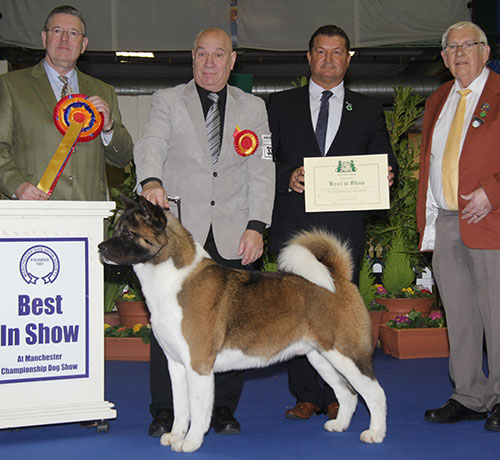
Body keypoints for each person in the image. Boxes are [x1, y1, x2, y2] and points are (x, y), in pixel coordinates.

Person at [133, 28, 275, 437]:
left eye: (218, 55)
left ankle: (222, 410)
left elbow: (263, 169)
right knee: (169, 324)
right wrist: (152, 180)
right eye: (202, 55)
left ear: (233, 61)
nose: (209, 63)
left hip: (233, 230)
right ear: (192, 58)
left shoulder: (255, 108)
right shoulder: (166, 100)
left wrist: (256, 226)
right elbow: (151, 144)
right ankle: (165, 410)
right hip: (179, 236)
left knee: (230, 325)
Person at [268, 24, 397, 421]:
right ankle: (306, 394)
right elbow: (259, 160)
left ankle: (338, 392)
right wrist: (285, 175)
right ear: (308, 58)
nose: (329, 59)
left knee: (337, 310)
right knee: (294, 308)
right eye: (321, 52)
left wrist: (387, 174)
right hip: (294, 222)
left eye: (337, 52)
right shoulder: (277, 105)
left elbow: (384, 159)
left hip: (344, 231)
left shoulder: (370, 109)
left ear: (348, 59)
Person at [417, 21, 500, 431]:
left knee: (497, 315)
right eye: (452, 47)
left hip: (492, 220)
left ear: (486, 52)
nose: (460, 52)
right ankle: (469, 394)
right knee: (461, 317)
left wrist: (493, 192)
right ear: (445, 58)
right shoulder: (437, 99)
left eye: (470, 44)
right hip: (447, 223)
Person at [0, 5, 133, 201]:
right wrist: (16, 185)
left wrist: (108, 127)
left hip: (88, 211)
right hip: (32, 207)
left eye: (73, 33)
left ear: (83, 44)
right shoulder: (10, 85)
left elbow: (123, 157)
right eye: (57, 31)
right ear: (44, 38)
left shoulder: (104, 92)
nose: (64, 38)